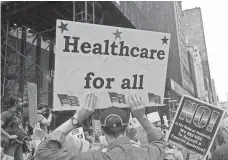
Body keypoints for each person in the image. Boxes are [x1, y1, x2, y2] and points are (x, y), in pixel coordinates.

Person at [34, 93, 166, 160]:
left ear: (102, 130)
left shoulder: (94, 157)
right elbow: (160, 143)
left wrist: (77, 118)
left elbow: (43, 152)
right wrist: (141, 117)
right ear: (126, 128)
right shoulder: (147, 154)